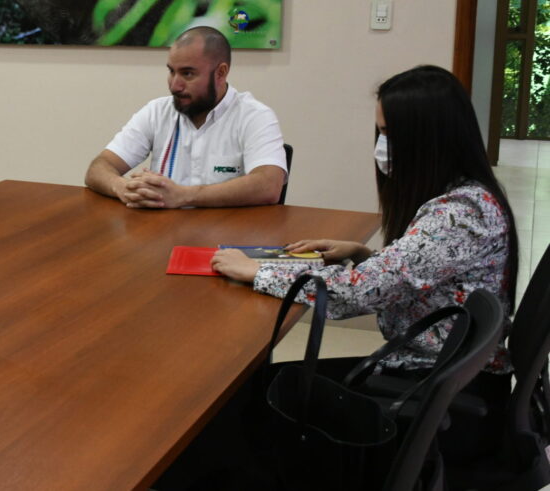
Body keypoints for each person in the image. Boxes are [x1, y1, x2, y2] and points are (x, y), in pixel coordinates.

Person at [212, 64, 518, 461]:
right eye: (380, 133)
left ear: (429, 139)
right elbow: (420, 275)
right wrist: (364, 255)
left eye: (390, 134)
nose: (381, 147)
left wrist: (259, 271)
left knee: (257, 397)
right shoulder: (463, 196)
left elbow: (351, 295)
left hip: (438, 394)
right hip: (440, 373)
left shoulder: (459, 216)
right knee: (262, 390)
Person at [84, 25, 287, 208]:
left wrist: (184, 196)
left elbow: (269, 185)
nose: (175, 85)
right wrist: (123, 187)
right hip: (164, 235)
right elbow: (99, 168)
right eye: (172, 72)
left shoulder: (254, 116)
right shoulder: (157, 111)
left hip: (228, 241)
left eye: (187, 74)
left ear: (221, 73)